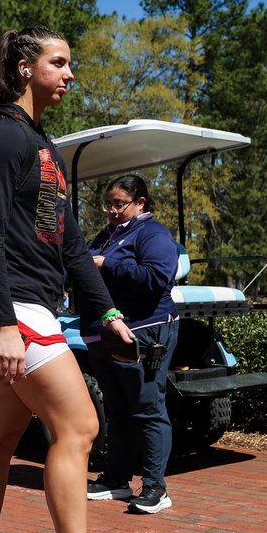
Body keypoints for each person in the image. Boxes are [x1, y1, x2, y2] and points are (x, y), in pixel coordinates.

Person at [0, 26, 154, 533]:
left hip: (30, 304)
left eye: (70, 64)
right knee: (79, 424)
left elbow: (68, 247)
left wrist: (108, 312)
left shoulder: (45, 148)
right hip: (8, 305)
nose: (70, 74)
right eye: (58, 63)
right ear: (22, 67)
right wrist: (3, 322)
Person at [84, 176, 179, 514]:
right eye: (108, 204)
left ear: (141, 203)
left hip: (145, 332)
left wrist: (108, 264)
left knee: (147, 407)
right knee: (117, 409)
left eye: (119, 204)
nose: (111, 210)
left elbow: (156, 277)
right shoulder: (106, 237)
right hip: (105, 335)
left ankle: (155, 487)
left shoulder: (153, 235)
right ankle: (116, 479)